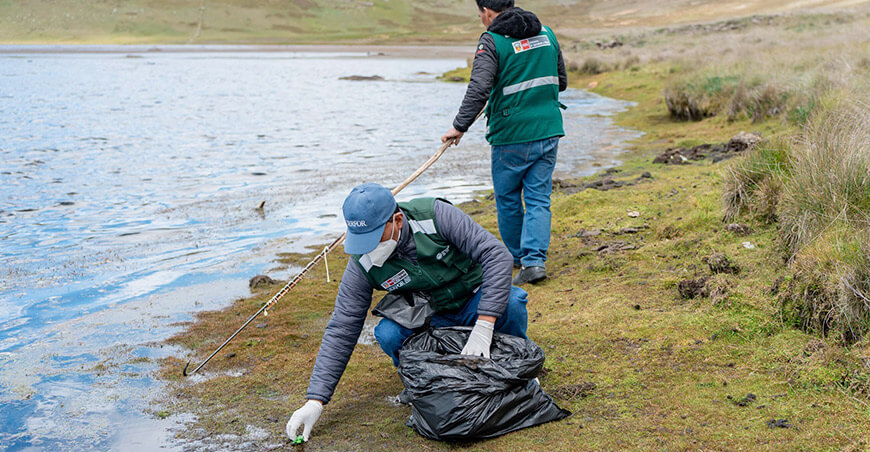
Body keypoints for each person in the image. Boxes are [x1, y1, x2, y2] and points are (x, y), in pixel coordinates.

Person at [285, 182, 529, 442]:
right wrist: (315, 401)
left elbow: (497, 255)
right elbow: (343, 325)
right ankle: (421, 382)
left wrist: (484, 324)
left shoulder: (435, 216)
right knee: (388, 333)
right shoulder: (362, 261)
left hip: (472, 300)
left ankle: (515, 370)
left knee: (512, 303)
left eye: (374, 237)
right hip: (429, 316)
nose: (368, 249)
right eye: (361, 241)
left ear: (397, 220)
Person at [441, 0, 567, 286]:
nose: (481, 20)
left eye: (480, 15)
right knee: (538, 198)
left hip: (511, 135)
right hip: (548, 129)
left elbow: (479, 88)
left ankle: (517, 257)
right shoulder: (547, 33)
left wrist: (458, 127)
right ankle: (534, 261)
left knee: (508, 198)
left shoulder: (492, 41)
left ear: (486, 12)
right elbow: (561, 82)